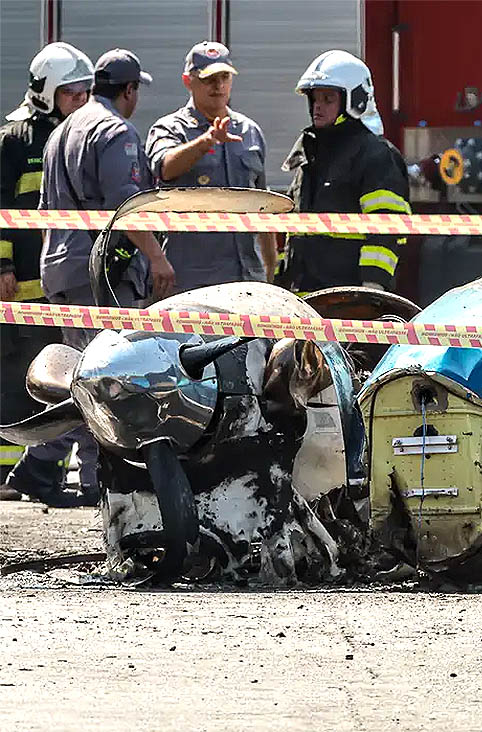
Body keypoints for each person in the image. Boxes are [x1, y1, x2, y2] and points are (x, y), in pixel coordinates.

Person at [5, 49, 176, 507]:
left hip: (59, 268)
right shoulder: (115, 131)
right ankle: (77, 474)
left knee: (80, 376)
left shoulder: (61, 132)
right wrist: (157, 257)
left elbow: (44, 211)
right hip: (103, 273)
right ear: (129, 90)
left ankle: (63, 473)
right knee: (111, 378)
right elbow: (124, 204)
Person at [0, 43, 94, 502]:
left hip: (53, 284)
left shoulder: (71, 137)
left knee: (52, 375)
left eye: (84, 91)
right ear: (47, 91)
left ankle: (48, 474)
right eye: (71, 91)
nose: (80, 98)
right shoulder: (15, 138)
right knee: (14, 372)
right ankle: (5, 472)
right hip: (16, 283)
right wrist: (0, 264)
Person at [146, 41, 277, 292]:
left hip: (247, 278)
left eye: (224, 77)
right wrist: (207, 141)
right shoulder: (169, 129)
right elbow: (165, 168)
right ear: (188, 81)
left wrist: (269, 270)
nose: (218, 86)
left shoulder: (249, 131)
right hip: (192, 282)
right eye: (208, 79)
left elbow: (264, 206)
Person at [279, 50, 411, 294]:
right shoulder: (310, 153)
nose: (318, 107)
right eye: (315, 99)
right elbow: (293, 227)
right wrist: (280, 280)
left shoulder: (375, 155)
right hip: (302, 297)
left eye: (328, 99)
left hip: (348, 299)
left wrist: (372, 287)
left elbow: (387, 226)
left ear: (355, 101)